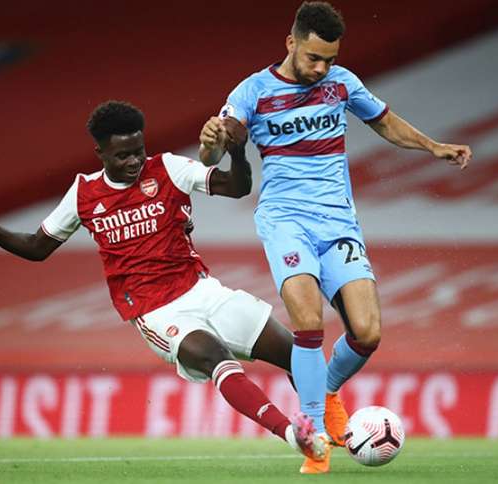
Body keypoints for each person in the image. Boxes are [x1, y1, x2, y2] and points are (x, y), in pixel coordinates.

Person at [0, 100, 328, 464]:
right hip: (156, 311)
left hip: (204, 290)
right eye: (122, 155)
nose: (134, 161)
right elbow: (37, 247)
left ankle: (332, 429)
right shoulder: (84, 194)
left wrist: (238, 152)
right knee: (217, 359)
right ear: (100, 152)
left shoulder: (168, 168)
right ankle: (293, 434)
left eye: (138, 150)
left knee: (300, 357)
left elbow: (236, 187)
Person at [198, 1, 472, 474]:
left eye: (328, 59)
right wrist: (211, 143)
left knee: (367, 332)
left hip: (339, 222)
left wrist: (433, 146)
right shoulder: (253, 91)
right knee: (308, 320)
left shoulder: (341, 84)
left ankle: (324, 390)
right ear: (291, 43)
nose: (321, 68)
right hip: (286, 220)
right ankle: (313, 435)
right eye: (313, 58)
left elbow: (383, 120)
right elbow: (222, 141)